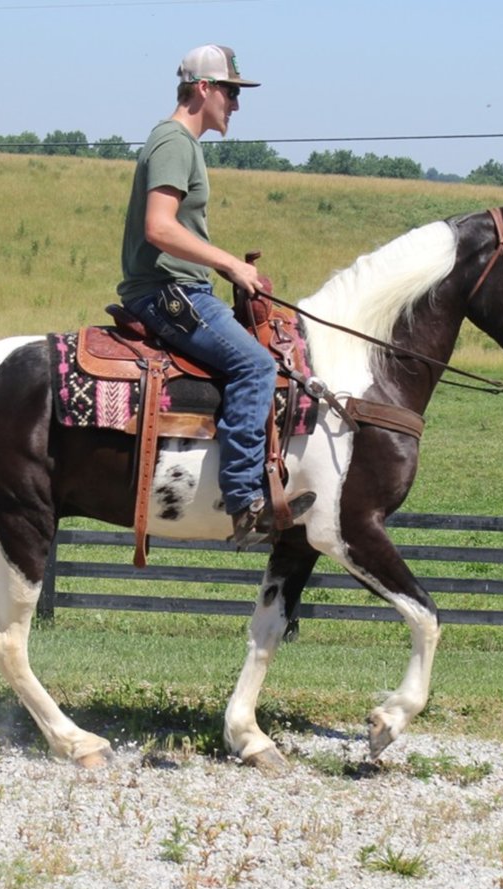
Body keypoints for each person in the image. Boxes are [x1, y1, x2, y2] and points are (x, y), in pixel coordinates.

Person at [117, 44, 313, 547]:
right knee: (256, 366)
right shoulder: (175, 143)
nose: (236, 104)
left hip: (181, 287)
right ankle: (245, 499)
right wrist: (226, 262)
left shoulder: (183, 145)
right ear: (203, 88)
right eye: (230, 91)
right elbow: (159, 228)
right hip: (168, 292)